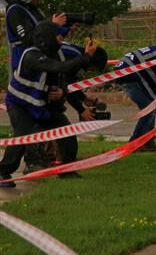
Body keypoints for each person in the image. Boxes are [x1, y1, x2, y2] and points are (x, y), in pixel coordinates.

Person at [0, 21, 97, 185]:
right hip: (20, 104)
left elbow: (63, 78)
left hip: (41, 105)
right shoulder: (31, 55)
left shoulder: (56, 53)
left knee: (67, 132)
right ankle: (3, 172)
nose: (61, 39)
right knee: (23, 137)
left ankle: (66, 171)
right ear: (47, 38)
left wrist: (62, 92)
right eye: (58, 35)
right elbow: (61, 68)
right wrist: (86, 56)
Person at [5, 0, 67, 71]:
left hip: (40, 57)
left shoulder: (33, 9)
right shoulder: (15, 11)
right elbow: (27, 38)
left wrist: (64, 29)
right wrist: (52, 24)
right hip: (24, 61)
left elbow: (43, 31)